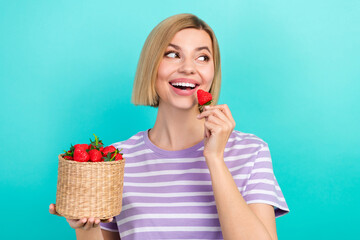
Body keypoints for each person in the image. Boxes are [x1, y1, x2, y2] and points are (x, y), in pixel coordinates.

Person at [50, 13, 289, 239]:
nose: (188, 68)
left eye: (202, 57)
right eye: (173, 54)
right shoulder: (116, 160)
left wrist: (214, 158)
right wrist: (84, 228)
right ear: (151, 66)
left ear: (213, 73)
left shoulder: (251, 152)